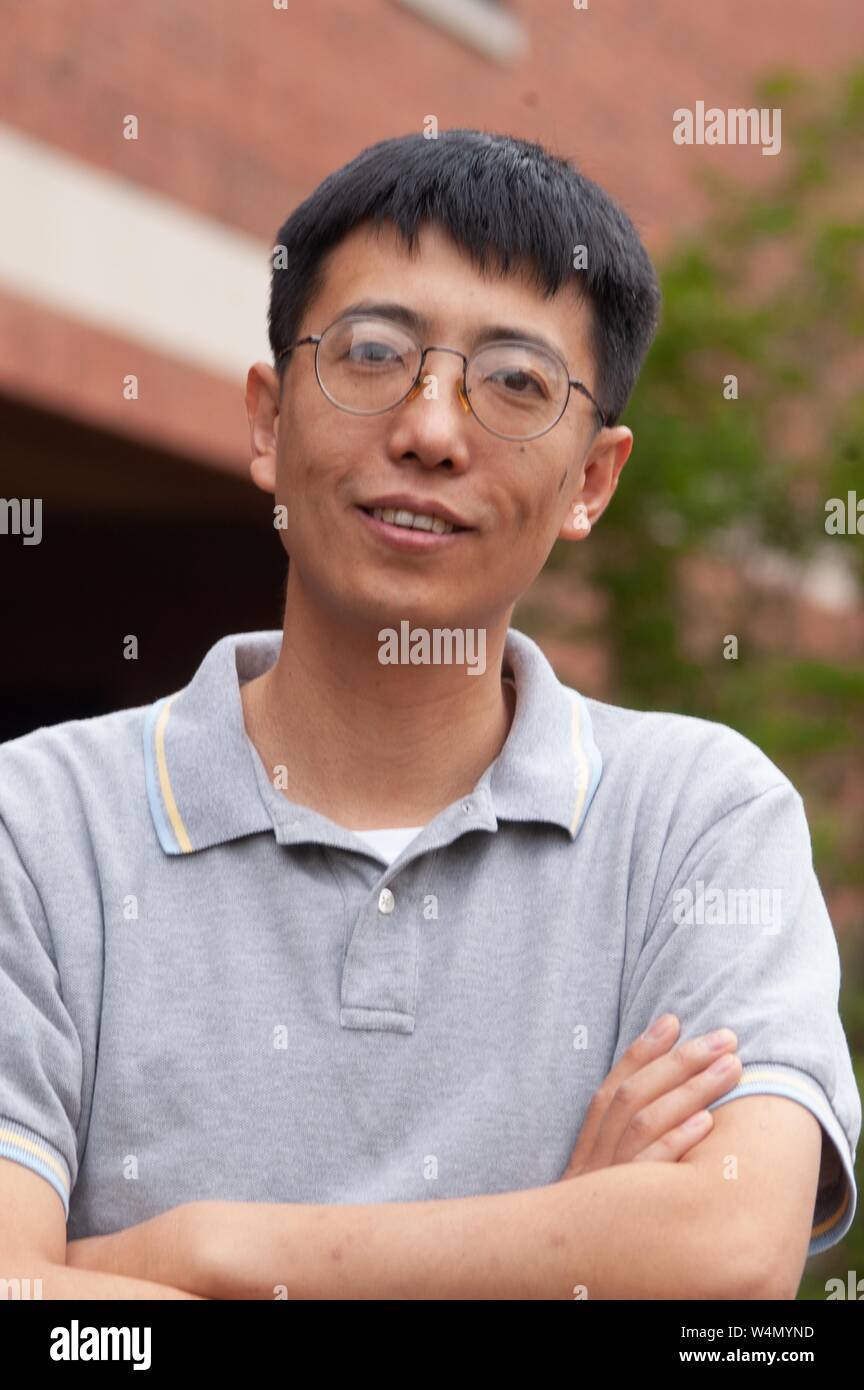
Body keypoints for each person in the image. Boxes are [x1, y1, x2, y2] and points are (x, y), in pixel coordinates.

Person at [0, 130, 858, 1300]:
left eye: (515, 382)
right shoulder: (41, 825)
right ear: (267, 418)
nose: (430, 431)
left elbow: (726, 1253)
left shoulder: (699, 819)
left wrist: (201, 1254)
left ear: (593, 482)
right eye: (370, 353)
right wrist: (568, 1244)